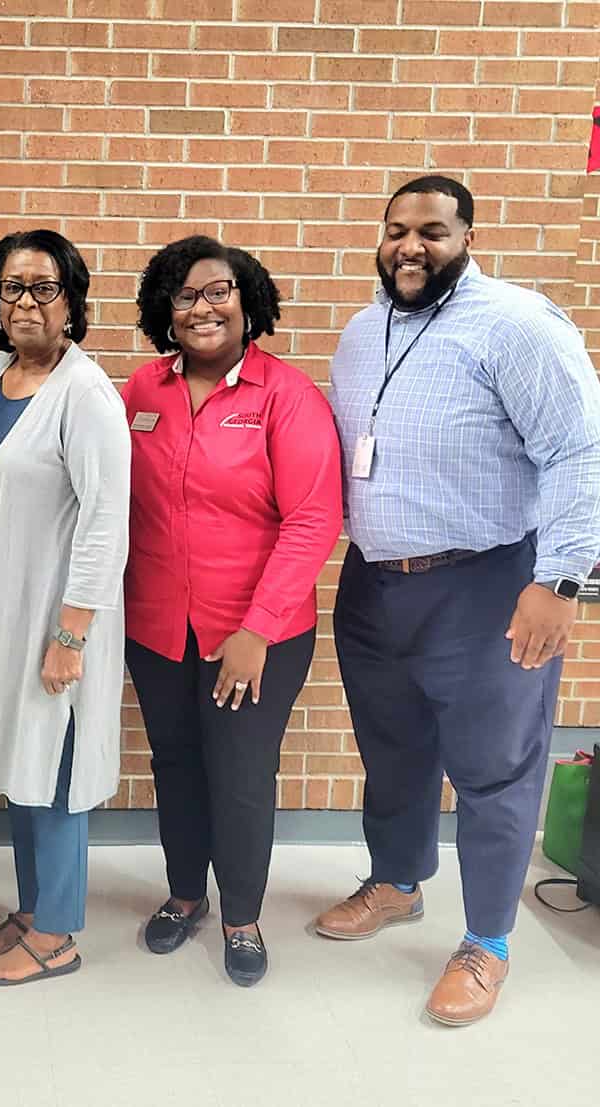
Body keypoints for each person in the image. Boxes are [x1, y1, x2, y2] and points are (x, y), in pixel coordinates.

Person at [318, 175, 600, 1026]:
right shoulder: (365, 332)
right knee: (394, 751)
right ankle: (400, 883)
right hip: (375, 585)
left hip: (486, 585)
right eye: (398, 229)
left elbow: (578, 451)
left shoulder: (515, 324)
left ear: (467, 238)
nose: (412, 246)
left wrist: (561, 582)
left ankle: (488, 940)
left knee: (493, 768)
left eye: (433, 232)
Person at [121, 235, 342, 987]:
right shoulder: (142, 392)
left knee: (242, 773)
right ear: (164, 310)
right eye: (184, 296)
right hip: (155, 626)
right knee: (176, 765)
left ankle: (242, 916)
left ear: (249, 302)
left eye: (219, 291)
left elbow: (313, 519)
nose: (202, 307)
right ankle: (187, 896)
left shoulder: (287, 396)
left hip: (256, 634)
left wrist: (256, 630)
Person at [0, 230, 131, 986]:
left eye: (43, 287)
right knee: (24, 761)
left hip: (56, 616)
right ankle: (31, 908)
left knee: (53, 768)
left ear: (72, 300)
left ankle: (57, 932)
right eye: (12, 287)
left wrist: (71, 633)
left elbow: (105, 520)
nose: (26, 301)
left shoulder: (85, 394)